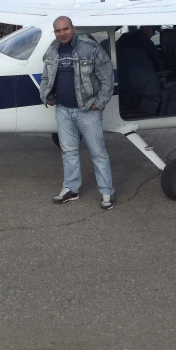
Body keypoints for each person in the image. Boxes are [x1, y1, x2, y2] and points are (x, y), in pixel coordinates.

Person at [39, 16, 116, 210]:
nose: (62, 33)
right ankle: (71, 189)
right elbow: (47, 75)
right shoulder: (52, 49)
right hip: (63, 109)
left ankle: (106, 192)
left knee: (98, 152)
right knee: (69, 151)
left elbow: (107, 76)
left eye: (65, 29)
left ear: (73, 28)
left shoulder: (90, 47)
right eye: (58, 30)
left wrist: (99, 103)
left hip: (87, 109)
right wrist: (45, 95)